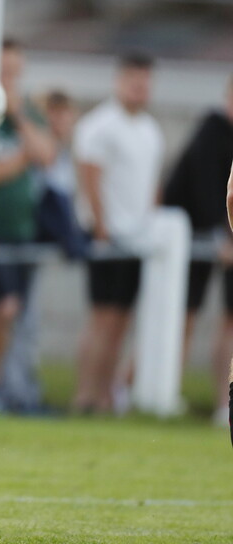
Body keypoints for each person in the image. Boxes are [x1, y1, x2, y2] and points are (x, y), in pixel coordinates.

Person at [71, 52, 163, 414]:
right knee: (102, 318)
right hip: (109, 237)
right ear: (119, 81)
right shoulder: (100, 125)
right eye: (133, 81)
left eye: (144, 82)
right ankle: (85, 395)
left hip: (138, 238)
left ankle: (105, 396)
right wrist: (102, 226)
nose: (139, 89)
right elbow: (90, 176)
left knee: (121, 321)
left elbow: (151, 185)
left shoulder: (150, 130)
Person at [0, 39, 56, 412]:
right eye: (2, 70)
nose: (8, 79)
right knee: (4, 309)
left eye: (14, 72)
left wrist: (18, 118)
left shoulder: (25, 113)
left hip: (22, 233)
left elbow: (46, 154)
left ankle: (8, 392)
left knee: (17, 318)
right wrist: (21, 159)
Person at [163, 73, 233, 426]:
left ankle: (225, 404)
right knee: (179, 317)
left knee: (228, 323)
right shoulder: (212, 132)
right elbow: (208, 192)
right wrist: (223, 236)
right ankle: (155, 391)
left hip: (220, 239)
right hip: (191, 240)